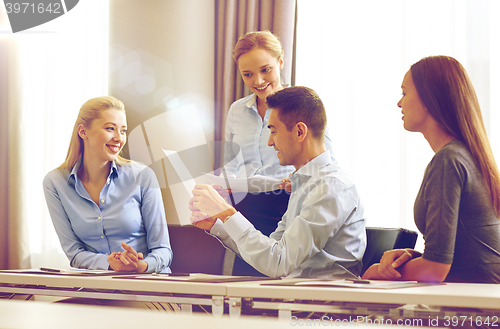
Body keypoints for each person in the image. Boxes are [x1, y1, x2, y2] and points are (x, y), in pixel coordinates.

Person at [190, 86, 366, 279]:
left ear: (300, 132)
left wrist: (227, 213)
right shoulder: (306, 184)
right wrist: (219, 225)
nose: (270, 142)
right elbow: (269, 255)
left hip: (318, 305)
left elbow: (278, 263)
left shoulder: (331, 187)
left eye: (273, 132)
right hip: (294, 300)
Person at [362, 56, 500, 283]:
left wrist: (375, 272)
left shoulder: (448, 160)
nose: (399, 103)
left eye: (404, 93)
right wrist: (413, 257)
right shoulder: (465, 155)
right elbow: (463, 255)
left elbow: (436, 270)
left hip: (471, 306)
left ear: (428, 99)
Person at [221, 30, 335, 275]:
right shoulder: (237, 111)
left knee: (280, 273)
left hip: (288, 203)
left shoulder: (300, 105)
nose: (258, 80)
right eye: (248, 74)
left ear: (280, 63)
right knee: (242, 285)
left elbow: (325, 162)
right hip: (246, 206)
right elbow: (230, 164)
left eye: (266, 70)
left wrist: (296, 182)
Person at [43, 96, 173, 275]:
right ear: (83, 131)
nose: (119, 138)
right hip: (97, 289)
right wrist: (110, 263)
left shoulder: (142, 176)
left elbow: (163, 251)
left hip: (149, 287)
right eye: (110, 128)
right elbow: (74, 253)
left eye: (123, 131)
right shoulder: (55, 183)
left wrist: (138, 266)